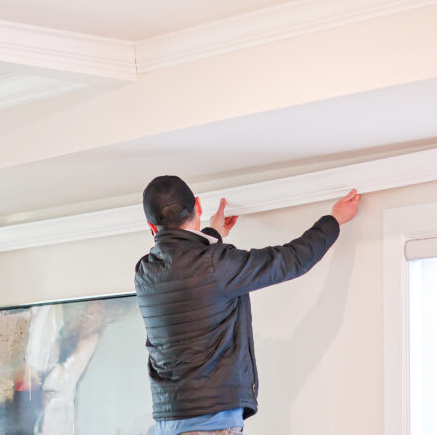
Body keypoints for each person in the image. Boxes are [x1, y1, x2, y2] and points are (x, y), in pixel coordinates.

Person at [135, 176, 360, 435]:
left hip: (168, 422)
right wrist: (334, 220)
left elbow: (187, 263)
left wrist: (213, 234)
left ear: (152, 226)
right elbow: (292, 259)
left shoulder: (144, 272)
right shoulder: (216, 265)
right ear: (198, 206)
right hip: (211, 425)